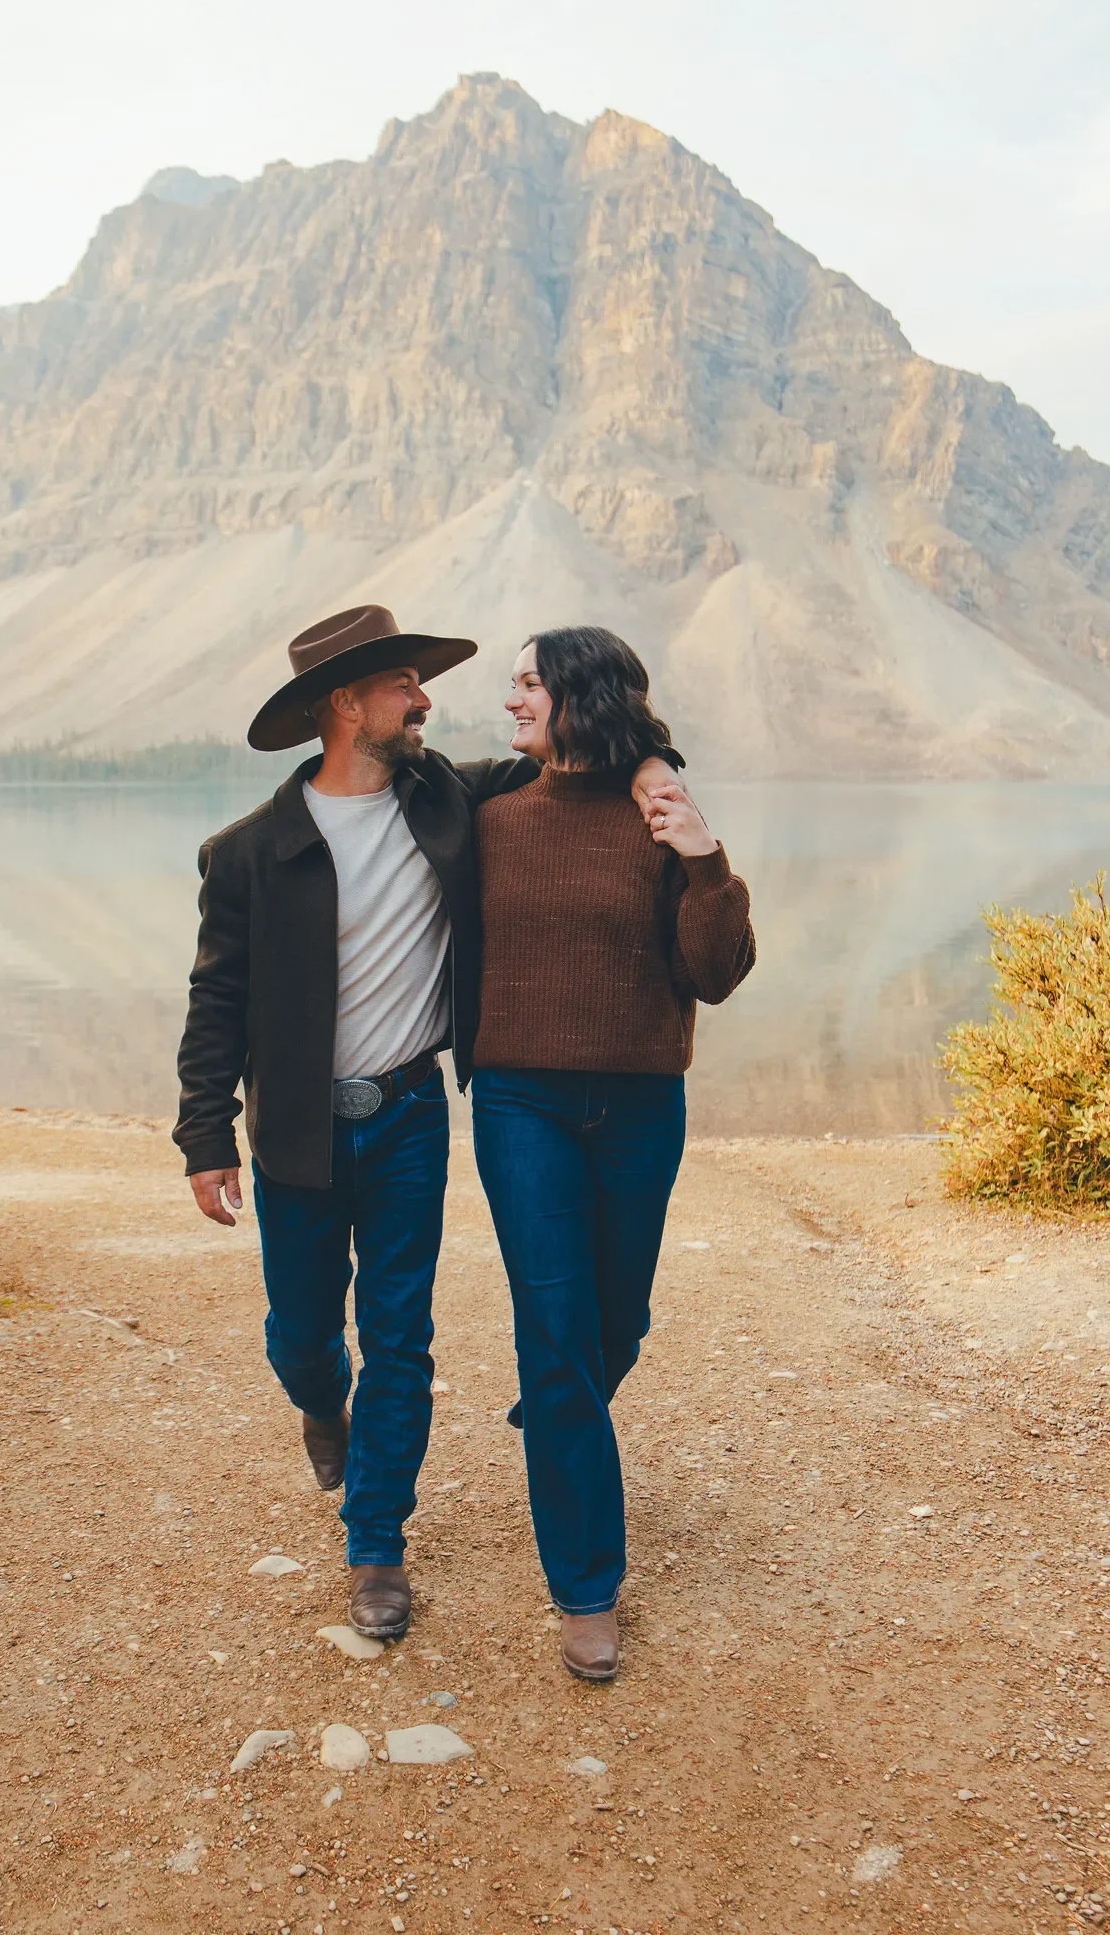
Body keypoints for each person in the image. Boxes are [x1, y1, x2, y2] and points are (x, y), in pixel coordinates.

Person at [172, 605, 679, 1640]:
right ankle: (322, 1401)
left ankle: (375, 1546)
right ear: (348, 704)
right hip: (298, 1134)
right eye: (405, 683)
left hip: (409, 1115)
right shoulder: (248, 854)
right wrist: (204, 1136)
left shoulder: (449, 799)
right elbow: (214, 1002)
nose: (427, 699)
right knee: (303, 1337)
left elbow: (580, 761)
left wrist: (651, 766)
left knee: (400, 1338)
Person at [470, 626, 756, 1681]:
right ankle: (586, 1587)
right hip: (518, 1099)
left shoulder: (658, 812)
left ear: (578, 694)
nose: (511, 702)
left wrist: (701, 854)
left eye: (528, 684)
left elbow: (715, 973)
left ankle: (559, 1399)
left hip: (641, 1101)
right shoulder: (490, 814)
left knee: (613, 1322)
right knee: (555, 1330)